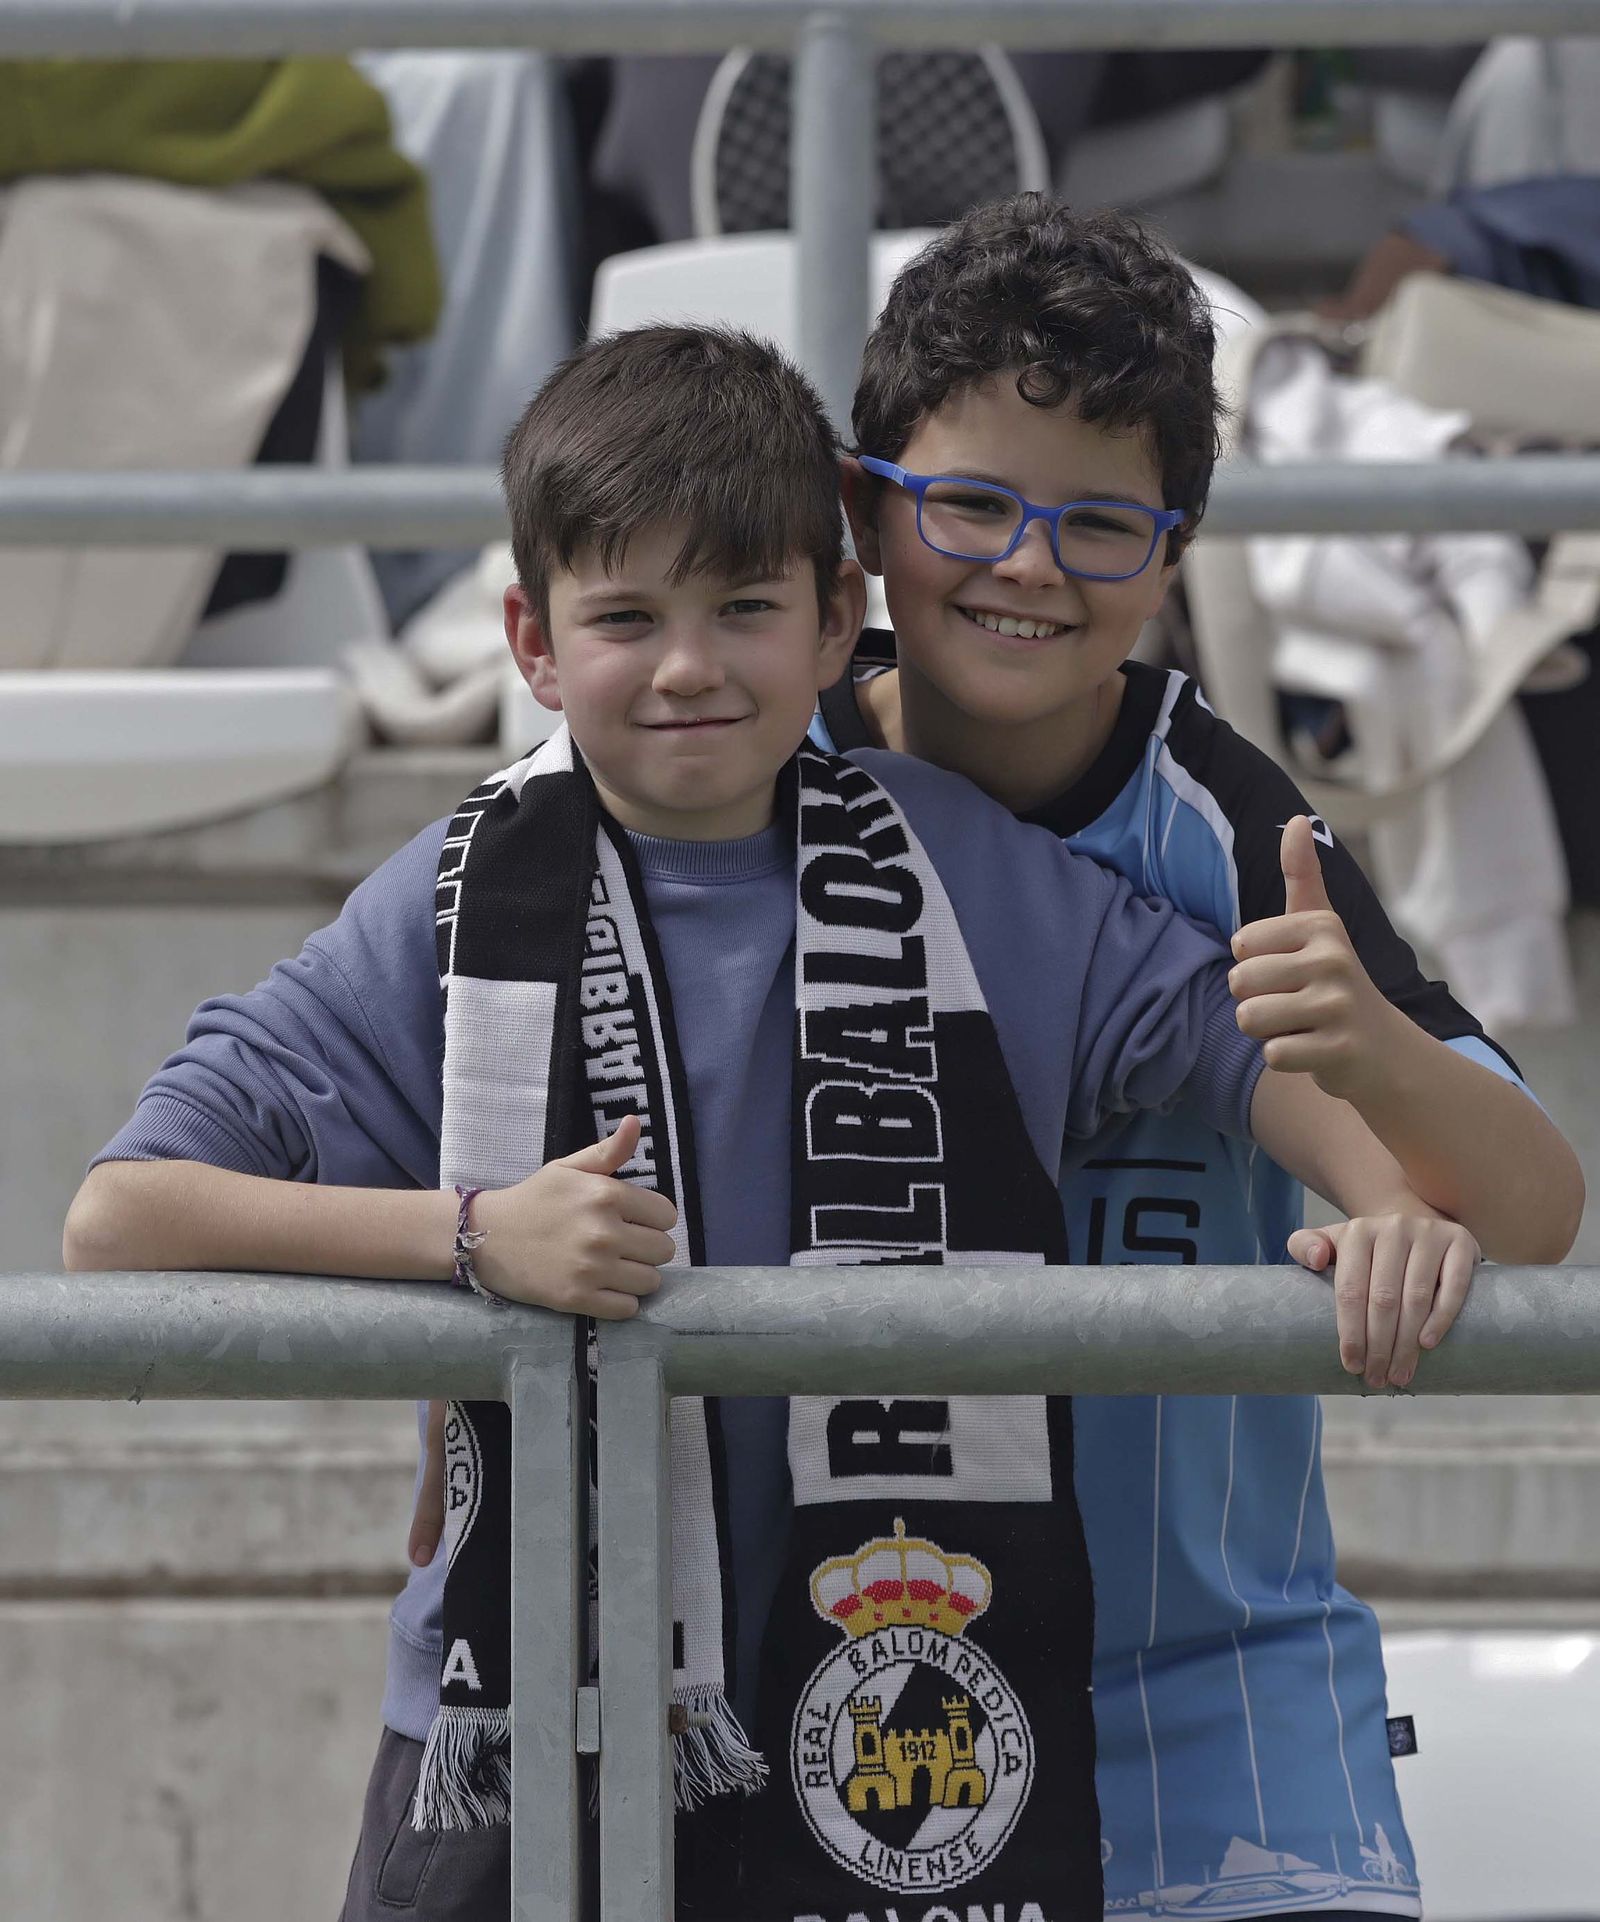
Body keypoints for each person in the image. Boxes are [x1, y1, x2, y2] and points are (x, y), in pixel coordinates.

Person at [66, 325, 1498, 1922]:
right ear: (534, 644)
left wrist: (1384, 1199)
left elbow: (1244, 1051)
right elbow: (125, 1213)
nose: (690, 666)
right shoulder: (454, 899)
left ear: (836, 622)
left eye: (747, 608)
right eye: (628, 616)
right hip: (528, 1723)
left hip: (895, 1734)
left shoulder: (967, 863)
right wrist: (472, 1242)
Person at [798, 194, 1581, 1918]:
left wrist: (1379, 1076)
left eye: (1099, 525)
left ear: (1174, 551)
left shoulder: (1230, 825)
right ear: (865, 510)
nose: (1027, 568)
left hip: (1223, 1731)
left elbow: (1530, 1207)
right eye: (973, 506)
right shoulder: (739, 777)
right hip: (852, 1715)